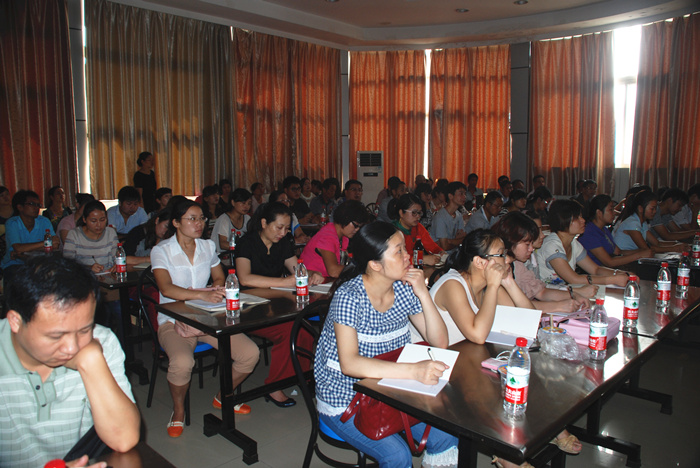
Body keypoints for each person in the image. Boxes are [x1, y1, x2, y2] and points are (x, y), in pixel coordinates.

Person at [314, 222, 458, 468]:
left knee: (447, 436)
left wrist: (423, 293)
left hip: (391, 391)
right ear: (375, 264)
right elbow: (350, 364)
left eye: (405, 249)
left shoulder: (403, 289)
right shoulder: (350, 296)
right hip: (346, 398)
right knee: (397, 456)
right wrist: (413, 371)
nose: (408, 256)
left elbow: (440, 341)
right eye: (399, 251)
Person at [0, 256, 139, 467]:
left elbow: (124, 439)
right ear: (15, 321)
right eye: (56, 336)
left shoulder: (100, 341)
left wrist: (91, 361)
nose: (72, 348)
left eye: (84, 330)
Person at [150, 200, 261, 437]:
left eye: (201, 218)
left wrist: (214, 288)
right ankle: (178, 411)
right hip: (173, 320)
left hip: (206, 317)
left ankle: (223, 397)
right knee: (182, 362)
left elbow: (219, 277)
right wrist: (201, 294)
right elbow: (166, 288)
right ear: (176, 222)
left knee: (250, 353)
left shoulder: (207, 247)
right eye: (192, 219)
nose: (199, 223)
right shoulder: (162, 250)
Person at [235, 202, 322, 406]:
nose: (283, 233)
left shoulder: (282, 243)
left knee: (304, 327)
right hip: (249, 306)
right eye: (279, 227)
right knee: (289, 330)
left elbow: (296, 269)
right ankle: (274, 386)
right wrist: (283, 282)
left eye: (286, 228)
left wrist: (312, 274)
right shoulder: (247, 243)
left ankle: (301, 376)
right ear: (264, 223)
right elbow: (245, 278)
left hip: (275, 303)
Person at [493, 212, 596, 311]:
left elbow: (541, 292)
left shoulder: (517, 264)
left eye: (531, 244)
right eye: (527, 244)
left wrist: (573, 295)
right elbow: (515, 306)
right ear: (512, 241)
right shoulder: (496, 268)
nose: (531, 249)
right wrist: (558, 306)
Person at [534, 200, 630, 287]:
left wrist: (621, 274)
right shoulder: (551, 245)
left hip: (560, 292)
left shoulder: (573, 244)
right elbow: (574, 279)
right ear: (563, 220)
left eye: (581, 216)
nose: (583, 220)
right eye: (577, 218)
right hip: (544, 294)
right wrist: (612, 280)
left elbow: (595, 269)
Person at [1, 190, 58, 288]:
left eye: (38, 204)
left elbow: (55, 245)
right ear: (20, 207)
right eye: (32, 204)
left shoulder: (44, 221)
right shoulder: (12, 223)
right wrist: (46, 242)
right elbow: (18, 248)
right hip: (15, 263)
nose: (36, 207)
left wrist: (23, 251)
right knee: (17, 279)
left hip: (39, 262)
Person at [578, 195, 652, 267]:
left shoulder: (604, 229)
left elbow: (618, 252)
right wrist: (639, 255)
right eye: (611, 210)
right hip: (597, 271)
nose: (614, 213)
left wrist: (642, 251)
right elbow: (609, 262)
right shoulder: (589, 233)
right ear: (599, 213)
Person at [300, 200, 369, 277]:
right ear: (345, 218)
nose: (357, 229)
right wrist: (364, 271)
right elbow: (334, 271)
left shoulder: (342, 236)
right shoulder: (327, 237)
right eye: (355, 225)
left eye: (360, 227)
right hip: (309, 281)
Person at [612, 190, 687, 253]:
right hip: (621, 259)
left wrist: (677, 244)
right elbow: (646, 249)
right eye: (652, 209)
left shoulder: (643, 223)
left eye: (655, 209)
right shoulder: (632, 223)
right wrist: (674, 248)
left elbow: (657, 243)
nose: (655, 212)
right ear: (640, 208)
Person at [388, 193, 444, 266]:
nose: (418, 216)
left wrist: (440, 252)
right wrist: (421, 259)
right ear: (401, 213)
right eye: (414, 213)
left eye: (419, 213)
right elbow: (395, 259)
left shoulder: (418, 227)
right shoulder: (392, 232)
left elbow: (431, 246)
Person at [212, 188, 253, 254]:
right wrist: (242, 247)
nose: (246, 206)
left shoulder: (247, 218)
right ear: (233, 202)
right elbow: (223, 244)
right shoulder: (224, 219)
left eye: (249, 203)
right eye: (243, 203)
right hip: (222, 255)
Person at [430, 181, 468, 250]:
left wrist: (450, 241)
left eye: (465, 194)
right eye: (461, 193)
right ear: (450, 196)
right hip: (440, 254)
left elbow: (464, 238)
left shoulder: (458, 215)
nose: (464, 197)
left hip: (454, 252)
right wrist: (457, 242)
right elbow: (444, 247)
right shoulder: (440, 217)